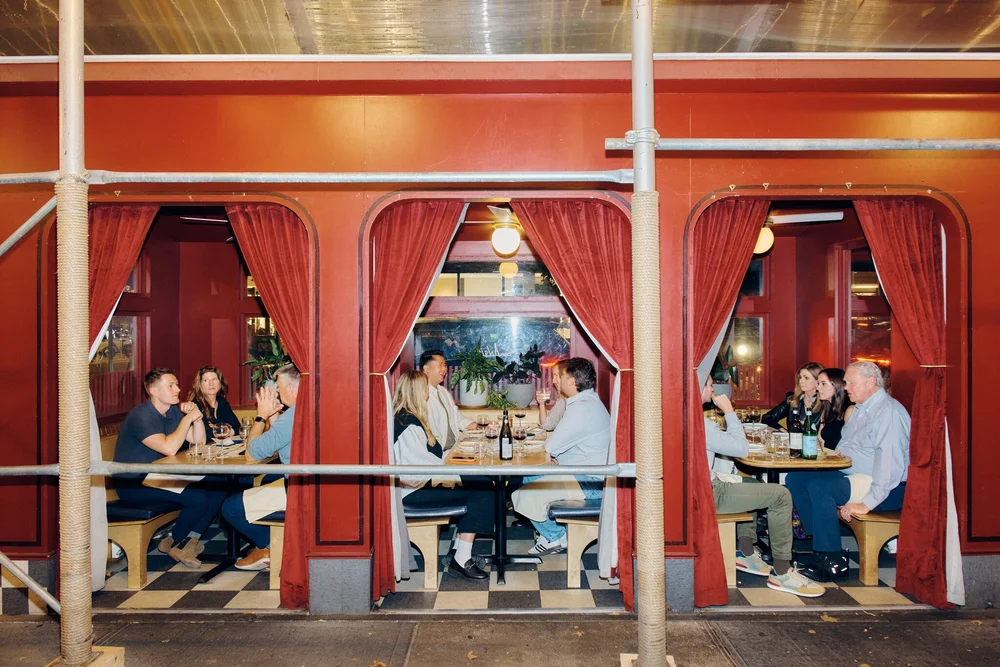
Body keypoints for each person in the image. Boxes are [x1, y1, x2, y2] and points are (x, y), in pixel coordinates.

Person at [701, 375, 825, 598]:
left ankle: (745, 552)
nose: (713, 390)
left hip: (703, 487)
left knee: (750, 482)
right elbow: (741, 449)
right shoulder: (702, 424)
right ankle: (782, 572)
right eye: (709, 385)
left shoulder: (690, 417)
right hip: (709, 492)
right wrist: (729, 411)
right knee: (781, 495)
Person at [787, 361, 910, 582]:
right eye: (845, 383)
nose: (846, 387)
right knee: (796, 478)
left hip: (886, 487)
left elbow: (890, 466)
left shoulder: (888, 413)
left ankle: (833, 559)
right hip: (852, 475)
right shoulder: (861, 409)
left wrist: (867, 503)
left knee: (822, 488)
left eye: (851, 382)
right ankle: (819, 545)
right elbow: (846, 447)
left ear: (871, 382)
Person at [113, 368, 226, 568]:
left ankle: (186, 542)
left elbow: (198, 442)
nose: (178, 389)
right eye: (171, 386)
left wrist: (197, 417)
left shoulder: (172, 411)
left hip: (158, 476)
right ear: (154, 391)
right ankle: (177, 540)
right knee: (198, 499)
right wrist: (187, 419)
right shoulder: (141, 416)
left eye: (177, 384)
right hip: (134, 482)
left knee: (218, 486)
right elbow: (169, 447)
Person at [392, 370, 495, 581]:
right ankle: (461, 559)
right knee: (482, 491)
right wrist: (456, 473)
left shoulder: (408, 416)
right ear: (416, 392)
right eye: (424, 389)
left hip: (418, 484)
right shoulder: (407, 423)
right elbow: (419, 468)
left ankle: (459, 547)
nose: (428, 394)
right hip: (411, 492)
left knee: (480, 483)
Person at [512, 358, 609, 556]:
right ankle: (551, 531)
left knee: (523, 493)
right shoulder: (588, 400)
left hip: (590, 483)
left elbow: (551, 445)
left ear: (572, 382)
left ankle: (556, 537)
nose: (557, 382)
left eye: (561, 377)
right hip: (589, 475)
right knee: (530, 477)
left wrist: (555, 454)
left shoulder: (581, 408)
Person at [221, 363, 300, 572]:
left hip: (297, 489)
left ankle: (270, 548)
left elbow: (252, 453)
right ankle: (270, 547)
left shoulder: (293, 416)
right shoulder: (301, 411)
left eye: (279, 388)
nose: (278, 393)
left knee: (230, 508)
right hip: (311, 484)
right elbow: (281, 438)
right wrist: (274, 413)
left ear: (291, 389)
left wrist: (261, 415)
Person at [419, 349, 473, 450]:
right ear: (426, 369)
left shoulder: (443, 391)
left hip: (454, 448)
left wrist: (476, 425)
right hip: (439, 453)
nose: (444, 369)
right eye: (440, 365)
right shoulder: (420, 395)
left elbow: (457, 417)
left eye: (445, 365)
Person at [761, 362, 824, 431]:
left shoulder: (825, 404)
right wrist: (781, 429)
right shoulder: (792, 400)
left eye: (806, 378)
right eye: (800, 377)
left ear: (817, 382)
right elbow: (767, 418)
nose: (801, 381)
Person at [189, 365, 241, 436]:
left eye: (214, 379)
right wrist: (225, 428)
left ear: (220, 383)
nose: (211, 384)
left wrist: (217, 428)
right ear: (200, 385)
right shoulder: (196, 405)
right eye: (206, 380)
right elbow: (206, 435)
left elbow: (238, 428)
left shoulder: (222, 402)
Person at [816, 368, 854, 450]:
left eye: (823, 384)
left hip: (842, 460)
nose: (818, 388)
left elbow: (851, 446)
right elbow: (820, 441)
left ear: (837, 385)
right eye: (818, 383)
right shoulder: (826, 409)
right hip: (828, 458)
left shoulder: (850, 410)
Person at [535, 359, 568, 431]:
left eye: (556, 376)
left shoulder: (579, 401)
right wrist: (541, 404)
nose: (553, 381)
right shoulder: (562, 401)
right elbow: (547, 425)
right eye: (553, 376)